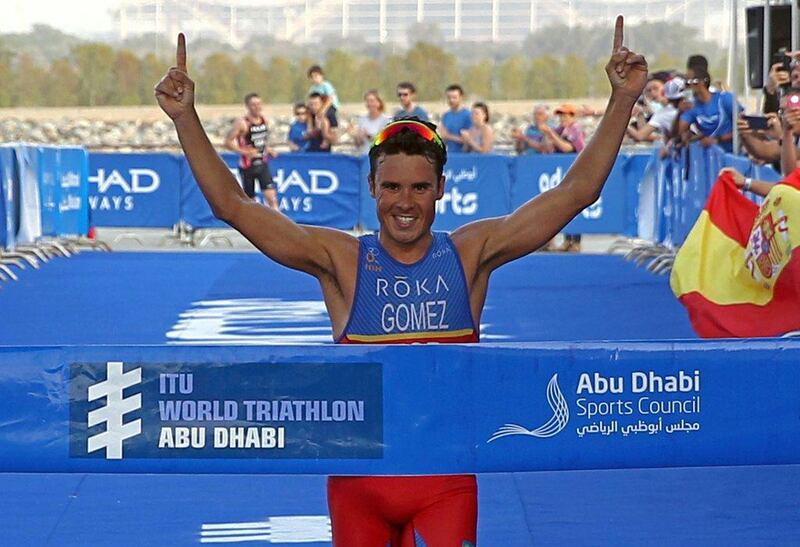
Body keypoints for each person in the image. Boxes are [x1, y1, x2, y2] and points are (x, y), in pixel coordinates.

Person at [155, 17, 647, 546]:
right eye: (391, 187)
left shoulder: (470, 254)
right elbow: (232, 205)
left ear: (440, 188)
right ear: (371, 187)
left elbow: (576, 193)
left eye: (418, 187)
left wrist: (621, 100)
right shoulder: (340, 260)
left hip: (444, 487)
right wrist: (186, 118)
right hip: (359, 487)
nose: (405, 203)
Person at [540, 104, 588, 252]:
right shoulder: (560, 130)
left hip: (577, 168)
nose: (562, 118)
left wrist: (551, 135)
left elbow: (568, 148)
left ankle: (576, 241)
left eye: (566, 115)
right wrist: (548, 136)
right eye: (560, 115)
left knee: (575, 203)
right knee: (564, 205)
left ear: (572, 117)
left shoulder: (575, 129)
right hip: (563, 170)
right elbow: (548, 147)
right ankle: (567, 240)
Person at [223, 92, 279, 210]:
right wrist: (244, 152)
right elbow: (227, 142)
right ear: (248, 106)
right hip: (247, 166)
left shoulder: (265, 120)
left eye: (259, 104)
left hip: (262, 163)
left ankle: (280, 226)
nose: (257, 107)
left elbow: (261, 140)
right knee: (250, 202)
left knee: (272, 198)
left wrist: (268, 149)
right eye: (253, 104)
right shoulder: (242, 123)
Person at [677, 67, 742, 153]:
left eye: (689, 82)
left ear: (701, 83)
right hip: (711, 158)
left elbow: (744, 127)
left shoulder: (725, 99)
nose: (686, 87)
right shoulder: (692, 106)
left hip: (734, 154)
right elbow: (682, 130)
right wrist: (680, 111)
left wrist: (718, 139)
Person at [627, 77, 687, 143]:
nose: (652, 92)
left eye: (656, 88)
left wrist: (622, 123)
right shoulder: (660, 113)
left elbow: (640, 136)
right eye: (649, 91)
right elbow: (645, 134)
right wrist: (640, 114)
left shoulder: (662, 113)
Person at [348, 89, 391, 155]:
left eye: (372, 101)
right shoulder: (362, 119)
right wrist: (356, 136)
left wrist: (368, 135)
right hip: (363, 156)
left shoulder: (386, 120)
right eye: (367, 101)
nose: (369, 104)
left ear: (379, 103)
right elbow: (358, 144)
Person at [438, 84, 472, 154]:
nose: (451, 100)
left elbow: (470, 141)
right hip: (450, 155)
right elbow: (444, 139)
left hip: (464, 156)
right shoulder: (446, 116)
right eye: (449, 97)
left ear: (461, 97)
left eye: (454, 97)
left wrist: (448, 136)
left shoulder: (468, 116)